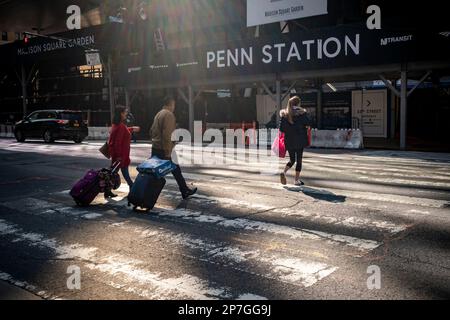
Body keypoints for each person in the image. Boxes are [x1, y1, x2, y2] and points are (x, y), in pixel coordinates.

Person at [150, 96, 197, 200]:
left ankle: (184, 190)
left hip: (156, 147)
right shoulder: (169, 115)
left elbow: (151, 130)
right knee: (172, 170)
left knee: (169, 171)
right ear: (171, 104)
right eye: (174, 105)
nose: (174, 107)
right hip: (165, 149)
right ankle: (148, 193)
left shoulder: (158, 113)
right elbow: (168, 135)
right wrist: (167, 152)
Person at [279, 96, 311, 186]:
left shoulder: (285, 114)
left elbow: (281, 129)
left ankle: (284, 172)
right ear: (298, 104)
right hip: (300, 140)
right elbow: (309, 123)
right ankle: (296, 180)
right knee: (299, 160)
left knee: (292, 160)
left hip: (289, 140)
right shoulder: (301, 113)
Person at [107, 106, 134, 198]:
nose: (126, 114)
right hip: (122, 155)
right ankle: (133, 188)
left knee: (113, 173)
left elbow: (122, 133)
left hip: (117, 154)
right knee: (124, 173)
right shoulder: (121, 126)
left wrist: (132, 129)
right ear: (121, 114)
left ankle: (107, 190)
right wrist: (119, 156)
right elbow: (118, 142)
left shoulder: (116, 125)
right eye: (124, 112)